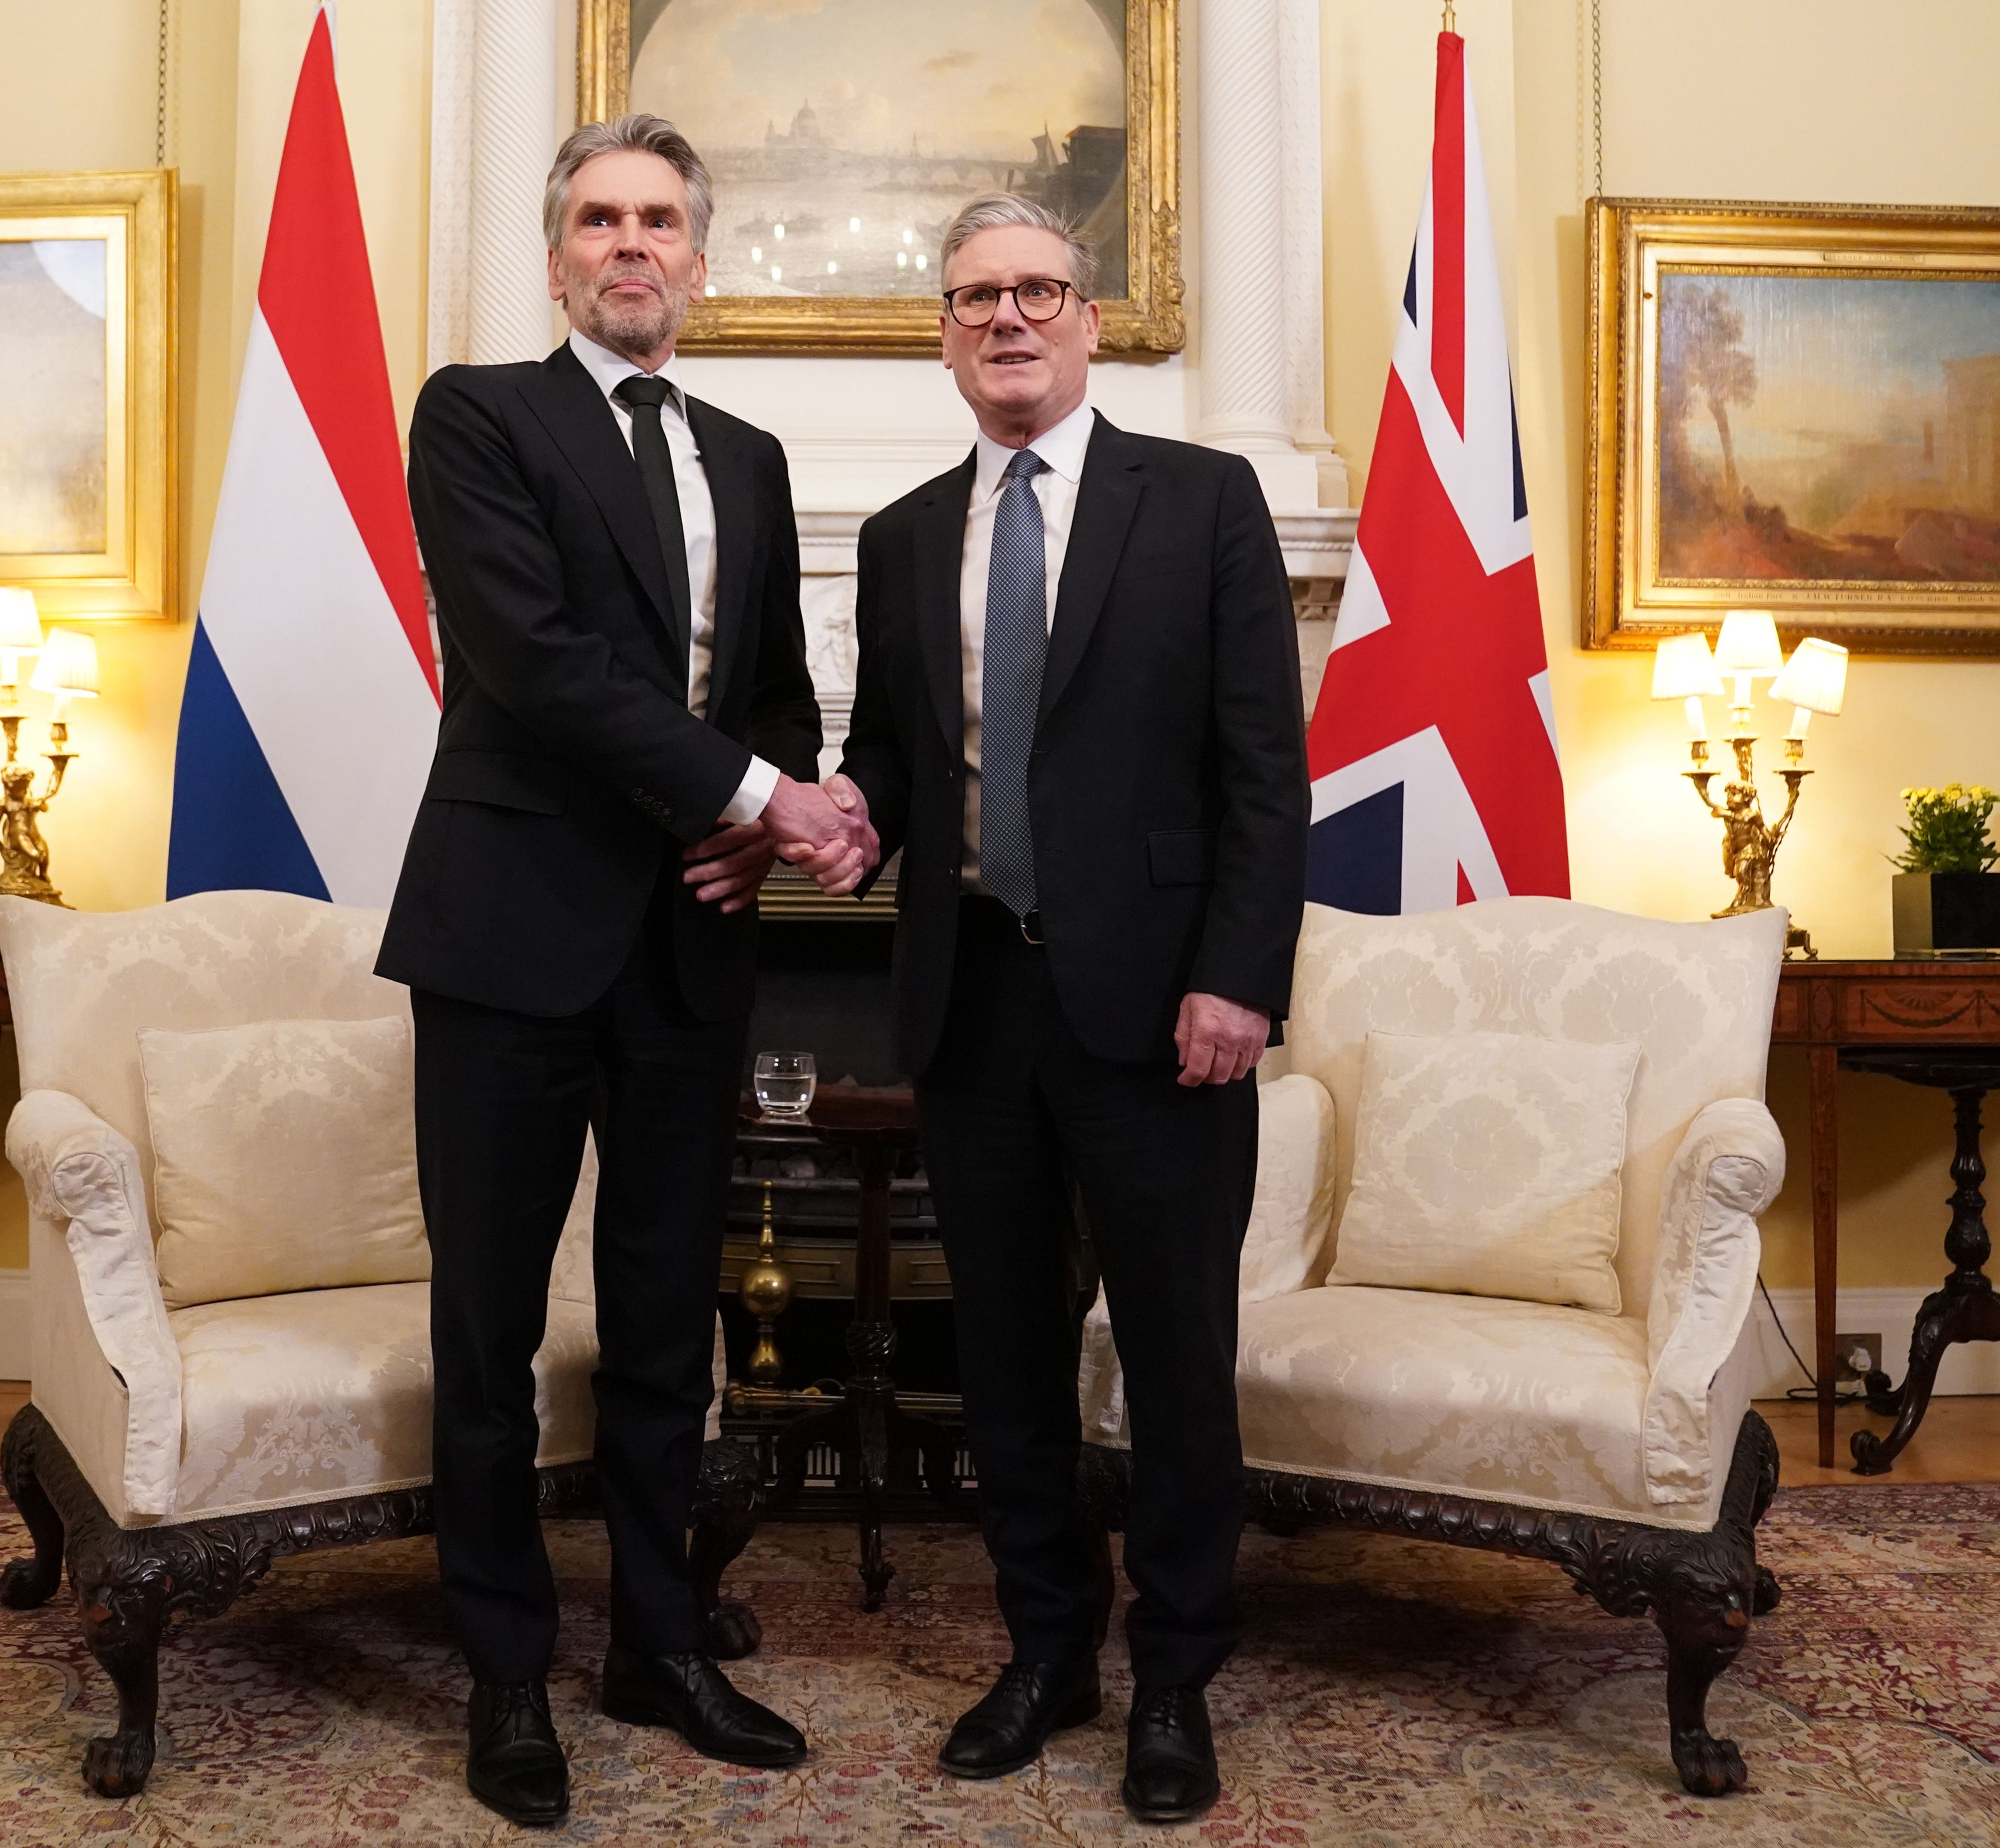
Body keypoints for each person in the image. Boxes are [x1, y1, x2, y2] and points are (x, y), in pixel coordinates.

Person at [378, 114, 877, 1829]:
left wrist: (757, 824)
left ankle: (657, 1648)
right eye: (600, 219)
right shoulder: (476, 415)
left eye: (660, 220)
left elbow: (776, 702)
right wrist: (757, 795)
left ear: (701, 254)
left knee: (668, 1328)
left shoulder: (745, 452)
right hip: (508, 943)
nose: (631, 246)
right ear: (556, 255)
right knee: (489, 1335)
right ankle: (507, 1672)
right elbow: (535, 662)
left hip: (689, 945)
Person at [833, 192, 1306, 1823]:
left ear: (1089, 319)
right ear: (945, 334)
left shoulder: (1204, 500)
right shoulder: (899, 538)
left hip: (1168, 1009)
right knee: (1009, 1363)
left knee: (1177, 1360)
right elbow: (900, 764)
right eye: (975, 300)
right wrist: (829, 814)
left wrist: (1240, 975)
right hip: (971, 1003)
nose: (1008, 320)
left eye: (1039, 291)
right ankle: (1048, 1654)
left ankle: (1175, 1680)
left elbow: (1264, 768)